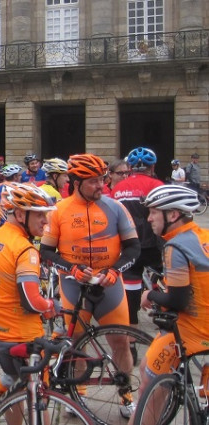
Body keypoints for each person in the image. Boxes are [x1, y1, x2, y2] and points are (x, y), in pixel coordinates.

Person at [40, 153, 141, 418]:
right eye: (94, 181)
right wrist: (70, 268)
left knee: (121, 341)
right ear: (76, 182)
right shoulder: (59, 211)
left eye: (102, 180)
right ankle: (78, 392)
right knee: (75, 342)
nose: (101, 186)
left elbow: (133, 247)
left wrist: (115, 270)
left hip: (109, 284)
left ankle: (125, 393)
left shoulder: (115, 207)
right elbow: (46, 251)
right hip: (74, 284)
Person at [0, 183, 59, 407]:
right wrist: (52, 304)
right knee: (38, 393)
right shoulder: (25, 250)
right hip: (19, 334)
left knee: (14, 384)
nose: (46, 222)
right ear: (21, 214)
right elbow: (32, 301)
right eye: (40, 215)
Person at [131, 184, 207, 425]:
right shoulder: (202, 236)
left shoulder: (175, 247)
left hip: (190, 332)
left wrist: (149, 297)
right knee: (145, 366)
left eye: (154, 212)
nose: (150, 218)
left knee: (148, 388)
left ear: (172, 215)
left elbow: (177, 300)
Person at [112, 147, 163, 327]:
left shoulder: (117, 189)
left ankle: (131, 327)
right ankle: (166, 311)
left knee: (131, 282)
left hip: (129, 245)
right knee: (167, 276)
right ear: (152, 166)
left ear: (130, 167)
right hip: (153, 243)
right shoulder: (157, 185)